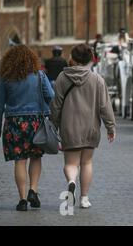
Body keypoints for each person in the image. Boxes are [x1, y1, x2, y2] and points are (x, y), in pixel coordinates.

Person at [50, 44, 116, 209]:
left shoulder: (62, 78)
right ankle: (84, 198)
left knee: (71, 164)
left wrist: (54, 125)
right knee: (87, 163)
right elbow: (105, 107)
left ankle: (71, 181)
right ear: (89, 60)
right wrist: (111, 127)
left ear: (72, 58)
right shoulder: (97, 80)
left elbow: (56, 105)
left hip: (69, 127)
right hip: (90, 127)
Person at [0, 45, 54, 211]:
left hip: (14, 123)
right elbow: (51, 96)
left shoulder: (5, 78)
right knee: (36, 158)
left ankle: (22, 200)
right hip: (36, 122)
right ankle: (33, 190)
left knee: (19, 161)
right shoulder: (39, 75)